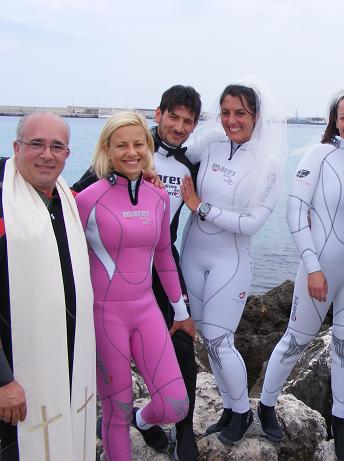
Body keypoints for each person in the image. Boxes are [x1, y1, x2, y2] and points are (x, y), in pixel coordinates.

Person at [73, 85, 201, 461]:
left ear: (147, 147)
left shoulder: (157, 195)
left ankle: (142, 420)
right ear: (107, 149)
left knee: (176, 403)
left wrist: (181, 311)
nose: (131, 152)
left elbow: (163, 254)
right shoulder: (86, 198)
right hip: (105, 315)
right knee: (115, 411)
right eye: (121, 145)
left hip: (147, 311)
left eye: (138, 144)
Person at [258, 90, 344, 461]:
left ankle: (341, 421)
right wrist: (312, 267)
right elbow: (295, 211)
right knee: (296, 339)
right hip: (319, 269)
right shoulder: (319, 155)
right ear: (334, 121)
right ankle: (266, 405)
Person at [179, 80, 286, 446]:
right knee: (207, 339)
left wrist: (200, 207)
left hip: (230, 259)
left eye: (240, 113)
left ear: (256, 116)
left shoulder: (268, 164)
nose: (231, 120)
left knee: (220, 338)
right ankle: (228, 407)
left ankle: (242, 412)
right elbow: (171, 152)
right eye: (225, 112)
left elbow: (252, 224)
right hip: (192, 253)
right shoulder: (210, 144)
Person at [0, 112, 96, 460]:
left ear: (67, 154)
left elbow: (105, 175)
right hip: (15, 377)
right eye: (36, 144)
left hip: (68, 364)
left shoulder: (65, 200)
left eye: (57, 146)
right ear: (16, 147)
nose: (47, 154)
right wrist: (3, 380)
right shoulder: (5, 206)